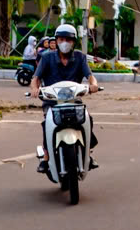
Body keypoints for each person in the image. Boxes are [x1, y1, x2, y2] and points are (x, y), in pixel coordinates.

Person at [30, 23, 99, 170]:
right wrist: (35, 89)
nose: (64, 43)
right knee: (47, 123)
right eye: (61, 39)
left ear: (74, 42)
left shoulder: (80, 57)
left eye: (68, 40)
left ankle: (88, 152)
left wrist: (93, 85)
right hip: (51, 101)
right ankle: (46, 157)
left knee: (87, 119)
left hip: (74, 100)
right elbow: (36, 78)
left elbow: (90, 76)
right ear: (56, 40)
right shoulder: (47, 57)